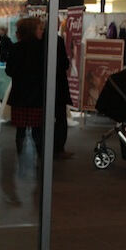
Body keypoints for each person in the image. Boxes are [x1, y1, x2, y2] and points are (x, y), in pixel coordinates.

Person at [5, 17, 46, 159]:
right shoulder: (43, 49)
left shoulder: (16, 48)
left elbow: (9, 71)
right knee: (37, 130)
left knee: (20, 130)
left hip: (20, 95)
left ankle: (20, 155)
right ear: (33, 30)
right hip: (37, 96)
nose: (42, 31)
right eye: (40, 29)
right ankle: (41, 157)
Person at [53, 25, 74, 159]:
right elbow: (64, 64)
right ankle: (59, 148)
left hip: (43, 88)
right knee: (60, 118)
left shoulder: (38, 42)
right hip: (59, 87)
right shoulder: (58, 41)